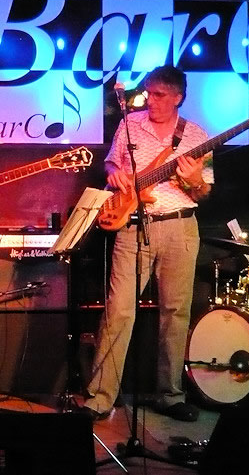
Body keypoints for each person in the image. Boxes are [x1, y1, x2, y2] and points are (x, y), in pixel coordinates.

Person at [82, 65, 213, 422]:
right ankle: (100, 397)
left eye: (159, 95)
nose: (150, 100)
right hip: (132, 225)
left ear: (178, 98)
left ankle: (170, 394)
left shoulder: (196, 136)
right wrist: (115, 175)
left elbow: (203, 192)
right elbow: (111, 166)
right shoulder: (130, 124)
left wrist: (194, 180)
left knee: (176, 313)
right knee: (118, 311)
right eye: (149, 93)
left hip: (179, 227)